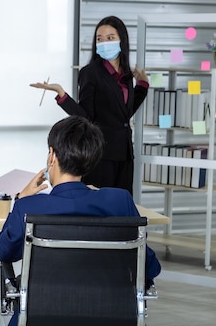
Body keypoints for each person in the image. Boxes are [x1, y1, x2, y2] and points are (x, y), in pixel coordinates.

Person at [0, 115, 161, 326]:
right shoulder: (119, 200)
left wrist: (20, 199)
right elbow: (149, 266)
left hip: (42, 312)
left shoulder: (29, 206)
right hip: (111, 314)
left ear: (51, 155)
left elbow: (4, 252)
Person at [30, 15, 149, 194]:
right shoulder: (91, 73)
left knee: (122, 209)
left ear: (122, 40)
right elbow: (85, 116)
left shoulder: (126, 75)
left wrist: (142, 85)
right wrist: (62, 95)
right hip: (101, 155)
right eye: (99, 39)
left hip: (124, 154)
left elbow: (125, 112)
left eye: (110, 38)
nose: (104, 43)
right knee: (99, 209)